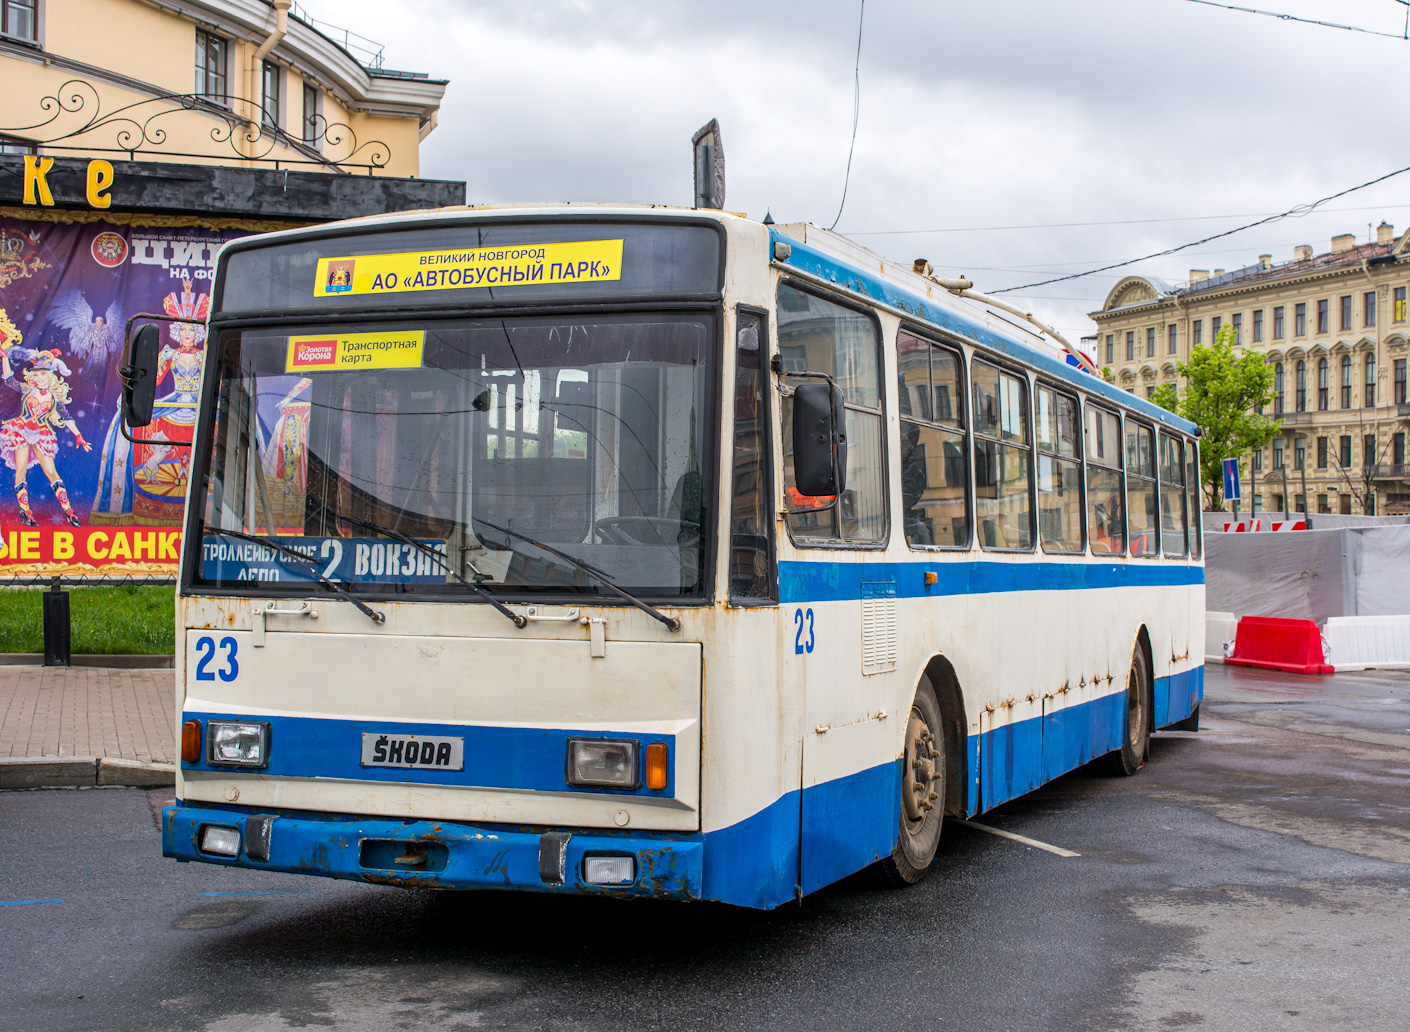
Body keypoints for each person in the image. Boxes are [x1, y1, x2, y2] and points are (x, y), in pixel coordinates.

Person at [2, 347, 91, 527]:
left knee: (51, 472)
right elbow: (9, 380)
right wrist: (4, 358)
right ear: (33, 376)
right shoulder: (27, 389)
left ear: (50, 375)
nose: (40, 377)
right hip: (21, 430)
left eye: (43, 373)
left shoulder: (55, 398)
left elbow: (66, 418)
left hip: (42, 433)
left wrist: (79, 435)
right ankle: (26, 513)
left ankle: (69, 512)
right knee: (21, 471)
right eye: (37, 374)